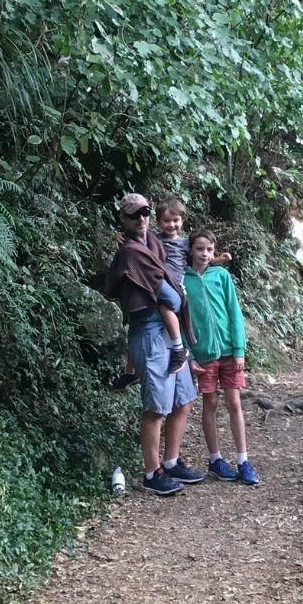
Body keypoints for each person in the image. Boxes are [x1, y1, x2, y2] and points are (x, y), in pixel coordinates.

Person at [104, 193, 205, 496]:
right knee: (157, 408)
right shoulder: (132, 252)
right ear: (123, 219)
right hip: (149, 333)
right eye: (134, 215)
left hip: (167, 334)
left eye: (146, 212)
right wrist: (177, 298)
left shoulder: (153, 242)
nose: (142, 219)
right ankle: (152, 472)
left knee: (184, 398)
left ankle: (171, 462)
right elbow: (172, 298)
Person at [110, 197, 231, 392]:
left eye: (175, 220)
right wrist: (118, 236)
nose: (171, 225)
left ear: (183, 221)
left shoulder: (185, 243)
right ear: (158, 222)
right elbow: (135, 240)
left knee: (168, 309)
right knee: (136, 325)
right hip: (157, 280)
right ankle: (130, 370)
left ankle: (179, 349)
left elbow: (201, 259)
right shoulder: (154, 237)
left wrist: (218, 259)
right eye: (166, 221)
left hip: (174, 285)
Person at [183, 228, 259, 486]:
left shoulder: (222, 276)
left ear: (214, 252)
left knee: (234, 404)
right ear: (191, 250)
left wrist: (239, 349)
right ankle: (215, 459)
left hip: (229, 351)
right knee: (210, 404)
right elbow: (182, 319)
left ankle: (243, 460)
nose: (204, 254)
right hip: (203, 354)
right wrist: (189, 353)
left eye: (209, 250)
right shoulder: (183, 280)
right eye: (199, 249)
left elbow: (234, 313)